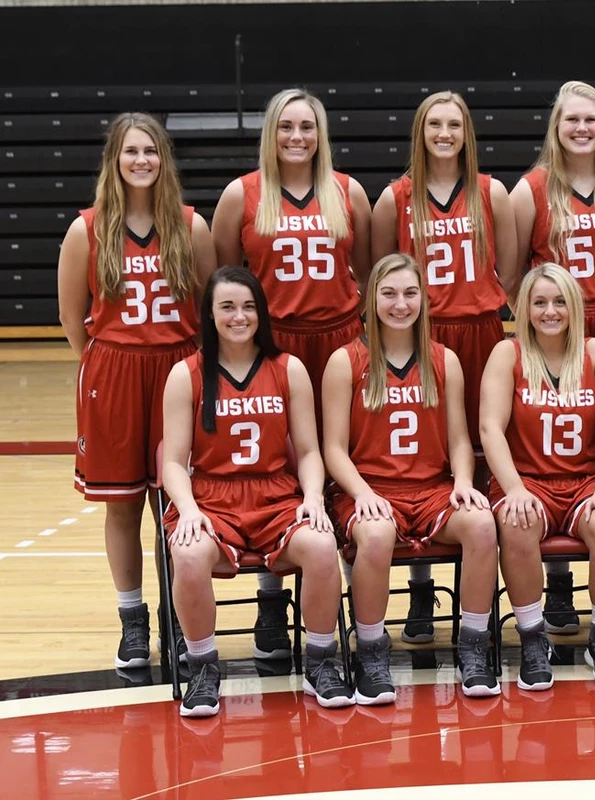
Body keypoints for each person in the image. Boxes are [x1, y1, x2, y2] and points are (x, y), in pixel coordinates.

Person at [211, 88, 373, 658]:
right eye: (286, 127)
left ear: (320, 133)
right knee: (273, 467)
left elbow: (371, 271)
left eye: (307, 127)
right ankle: (271, 600)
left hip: (339, 340)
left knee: (341, 459)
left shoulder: (348, 192)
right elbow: (223, 276)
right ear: (271, 134)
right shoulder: (242, 194)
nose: (297, 137)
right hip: (270, 344)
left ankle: (354, 595)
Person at [57, 112, 215, 669]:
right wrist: (108, 366)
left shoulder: (190, 225)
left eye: (150, 151)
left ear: (163, 159)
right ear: (114, 162)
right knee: (122, 507)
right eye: (130, 152)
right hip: (115, 374)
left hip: (177, 370)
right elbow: (72, 318)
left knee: (175, 505)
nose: (141, 161)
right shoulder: (87, 228)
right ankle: (132, 620)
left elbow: (209, 312)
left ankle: (178, 618)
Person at [158, 266, 351, 717]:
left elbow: (307, 450)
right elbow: (172, 461)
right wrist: (186, 509)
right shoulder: (186, 375)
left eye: (248, 307)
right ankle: (203, 668)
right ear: (209, 314)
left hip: (276, 496)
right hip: (211, 497)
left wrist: (312, 498)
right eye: (227, 307)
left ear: (262, 314)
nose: (239, 316)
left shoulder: (289, 369)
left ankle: (322, 662)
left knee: (322, 547)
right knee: (187, 554)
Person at [371, 90, 518, 644]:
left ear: (467, 132)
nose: (444, 134)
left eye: (454, 124)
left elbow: (507, 265)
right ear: (420, 131)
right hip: (421, 334)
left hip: (479, 332)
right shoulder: (395, 198)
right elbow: (381, 269)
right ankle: (420, 590)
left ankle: (481, 595)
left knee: (479, 457)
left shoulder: (490, 193)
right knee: (420, 461)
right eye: (434, 124)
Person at [320, 254, 500, 702]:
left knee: (481, 523)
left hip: (433, 488)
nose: (400, 304)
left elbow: (460, 437)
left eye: (410, 293)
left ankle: (474, 646)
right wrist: (362, 493)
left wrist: (463, 482)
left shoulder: (445, 360)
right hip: (369, 491)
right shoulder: (347, 361)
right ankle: (372, 651)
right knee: (377, 535)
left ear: (424, 297)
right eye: (389, 293)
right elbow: (333, 450)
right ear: (370, 299)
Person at [511, 80, 595, 632]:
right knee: (553, 436)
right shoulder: (531, 190)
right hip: (558, 327)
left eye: (591, 120)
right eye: (571, 121)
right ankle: (562, 587)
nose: (582, 129)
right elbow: (515, 270)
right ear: (556, 127)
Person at [481, 263, 595, 689]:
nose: (551, 311)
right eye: (540, 302)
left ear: (575, 306)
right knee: (516, 521)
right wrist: (513, 488)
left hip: (585, 479)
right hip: (529, 480)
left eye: (560, 301)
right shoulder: (507, 354)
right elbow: (490, 427)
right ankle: (532, 638)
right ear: (524, 308)